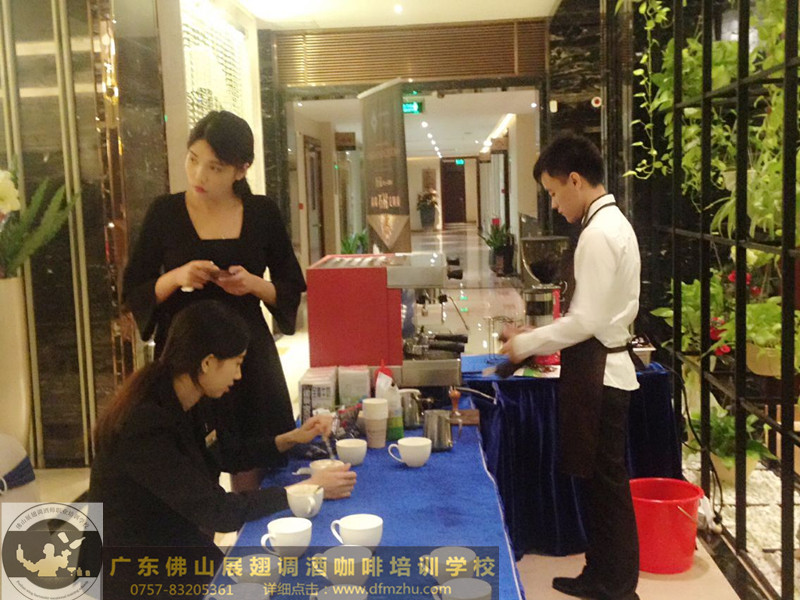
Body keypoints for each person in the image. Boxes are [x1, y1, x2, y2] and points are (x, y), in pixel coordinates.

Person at [123, 110, 306, 491]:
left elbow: (290, 287)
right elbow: (136, 289)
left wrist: (254, 284)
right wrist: (177, 277)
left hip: (246, 355)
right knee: (187, 463)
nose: (199, 175)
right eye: (193, 160)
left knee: (252, 459)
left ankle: (250, 528)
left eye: (215, 168)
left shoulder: (261, 213)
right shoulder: (165, 212)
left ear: (241, 170)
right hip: (186, 356)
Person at [89, 300, 356, 551]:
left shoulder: (195, 398)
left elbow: (228, 453)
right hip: (133, 558)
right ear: (207, 362)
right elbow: (217, 510)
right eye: (237, 363)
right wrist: (305, 488)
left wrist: (293, 438)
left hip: (175, 538)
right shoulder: (145, 424)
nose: (239, 375)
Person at [501, 134, 641, 600]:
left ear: (576, 181)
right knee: (602, 485)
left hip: (602, 373)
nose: (554, 204)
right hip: (603, 367)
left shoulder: (598, 234)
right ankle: (602, 574)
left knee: (606, 487)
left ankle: (615, 585)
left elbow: (586, 322)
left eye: (554, 192)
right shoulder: (612, 223)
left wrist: (525, 343)